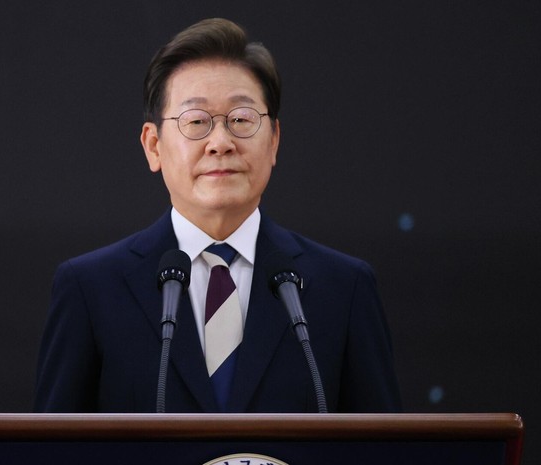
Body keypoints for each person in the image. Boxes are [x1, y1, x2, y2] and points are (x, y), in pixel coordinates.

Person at [34, 18, 401, 413]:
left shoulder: (343, 288)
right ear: (153, 146)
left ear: (274, 140)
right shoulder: (91, 289)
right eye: (196, 121)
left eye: (241, 119)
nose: (221, 143)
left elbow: (382, 441)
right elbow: (51, 442)